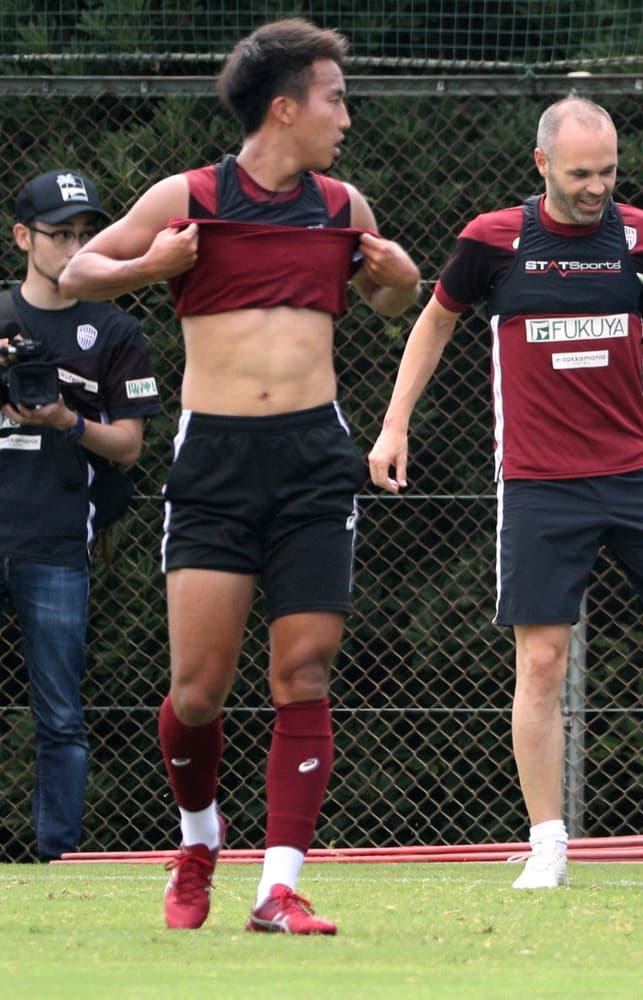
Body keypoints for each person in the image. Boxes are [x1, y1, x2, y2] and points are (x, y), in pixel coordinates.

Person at [59, 19, 420, 932]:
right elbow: (80, 270)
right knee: (196, 691)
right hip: (215, 459)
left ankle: (279, 887)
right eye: (335, 99)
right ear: (285, 106)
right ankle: (199, 839)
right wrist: (152, 263)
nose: (346, 116)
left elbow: (389, 299)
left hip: (311, 460)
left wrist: (401, 278)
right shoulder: (190, 194)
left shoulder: (345, 207)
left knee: (303, 671)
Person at [368, 95, 643, 890]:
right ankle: (549, 843)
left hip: (632, 473)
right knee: (543, 661)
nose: (597, 187)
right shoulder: (494, 240)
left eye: (609, 171)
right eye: (582, 173)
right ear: (542, 165)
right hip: (541, 482)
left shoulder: (642, 238)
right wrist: (393, 424)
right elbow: (436, 321)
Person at [0, 168, 159, 862]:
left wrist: (67, 417)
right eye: (57, 235)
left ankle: (54, 858)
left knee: (60, 715)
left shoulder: (115, 328)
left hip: (59, 539)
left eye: (83, 235)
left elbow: (128, 448)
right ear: (22, 237)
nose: (71, 249)